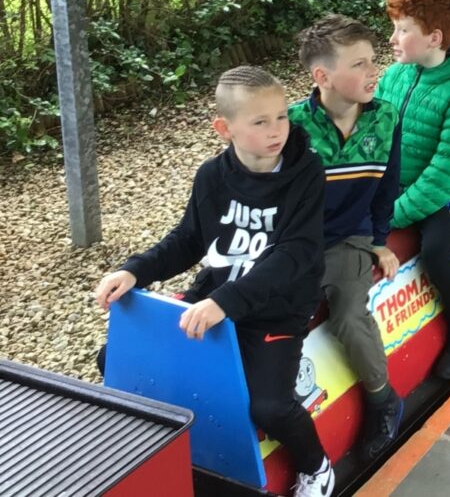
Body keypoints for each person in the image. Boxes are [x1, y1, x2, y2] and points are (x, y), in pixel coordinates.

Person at [93, 66, 333, 497]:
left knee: (269, 407)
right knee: (114, 358)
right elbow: (189, 238)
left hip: (277, 308)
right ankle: (161, 450)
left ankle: (317, 468)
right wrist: (134, 270)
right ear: (225, 128)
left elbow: (296, 253)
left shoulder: (307, 171)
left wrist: (227, 301)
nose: (276, 129)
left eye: (281, 116)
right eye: (260, 122)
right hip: (216, 296)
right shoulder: (212, 175)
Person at [290, 16, 404, 459]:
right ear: (322, 76)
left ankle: (383, 399)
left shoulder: (386, 117)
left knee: (349, 316)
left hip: (350, 238)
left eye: (373, 60)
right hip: (297, 241)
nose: (374, 71)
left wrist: (379, 239)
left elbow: (387, 185)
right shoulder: (293, 125)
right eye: (359, 64)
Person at [376, 0, 450, 380]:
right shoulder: (394, 77)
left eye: (403, 30)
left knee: (438, 252)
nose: (393, 38)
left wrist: (393, 213)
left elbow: (445, 172)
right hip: (398, 187)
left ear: (434, 38)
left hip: (446, 193)